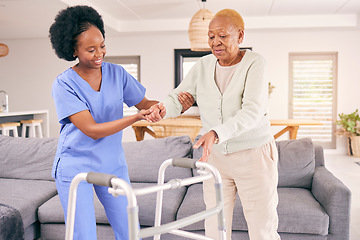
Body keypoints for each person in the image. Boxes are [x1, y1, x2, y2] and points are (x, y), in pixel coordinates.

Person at [148, 9, 280, 240]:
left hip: (254, 156)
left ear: (240, 36)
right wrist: (163, 109)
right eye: (211, 37)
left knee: (262, 228)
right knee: (215, 226)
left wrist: (216, 133)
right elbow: (178, 97)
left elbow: (253, 111)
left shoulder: (255, 64)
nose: (215, 42)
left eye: (222, 36)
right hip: (216, 158)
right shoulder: (202, 66)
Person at [48, 5, 171, 240]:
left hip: (112, 163)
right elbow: (92, 130)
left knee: (129, 231)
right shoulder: (64, 84)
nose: (99, 54)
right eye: (91, 49)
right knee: (83, 235)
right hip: (75, 168)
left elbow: (144, 103)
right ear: (73, 50)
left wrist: (163, 106)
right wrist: (136, 118)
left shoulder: (118, 74)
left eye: (102, 46)